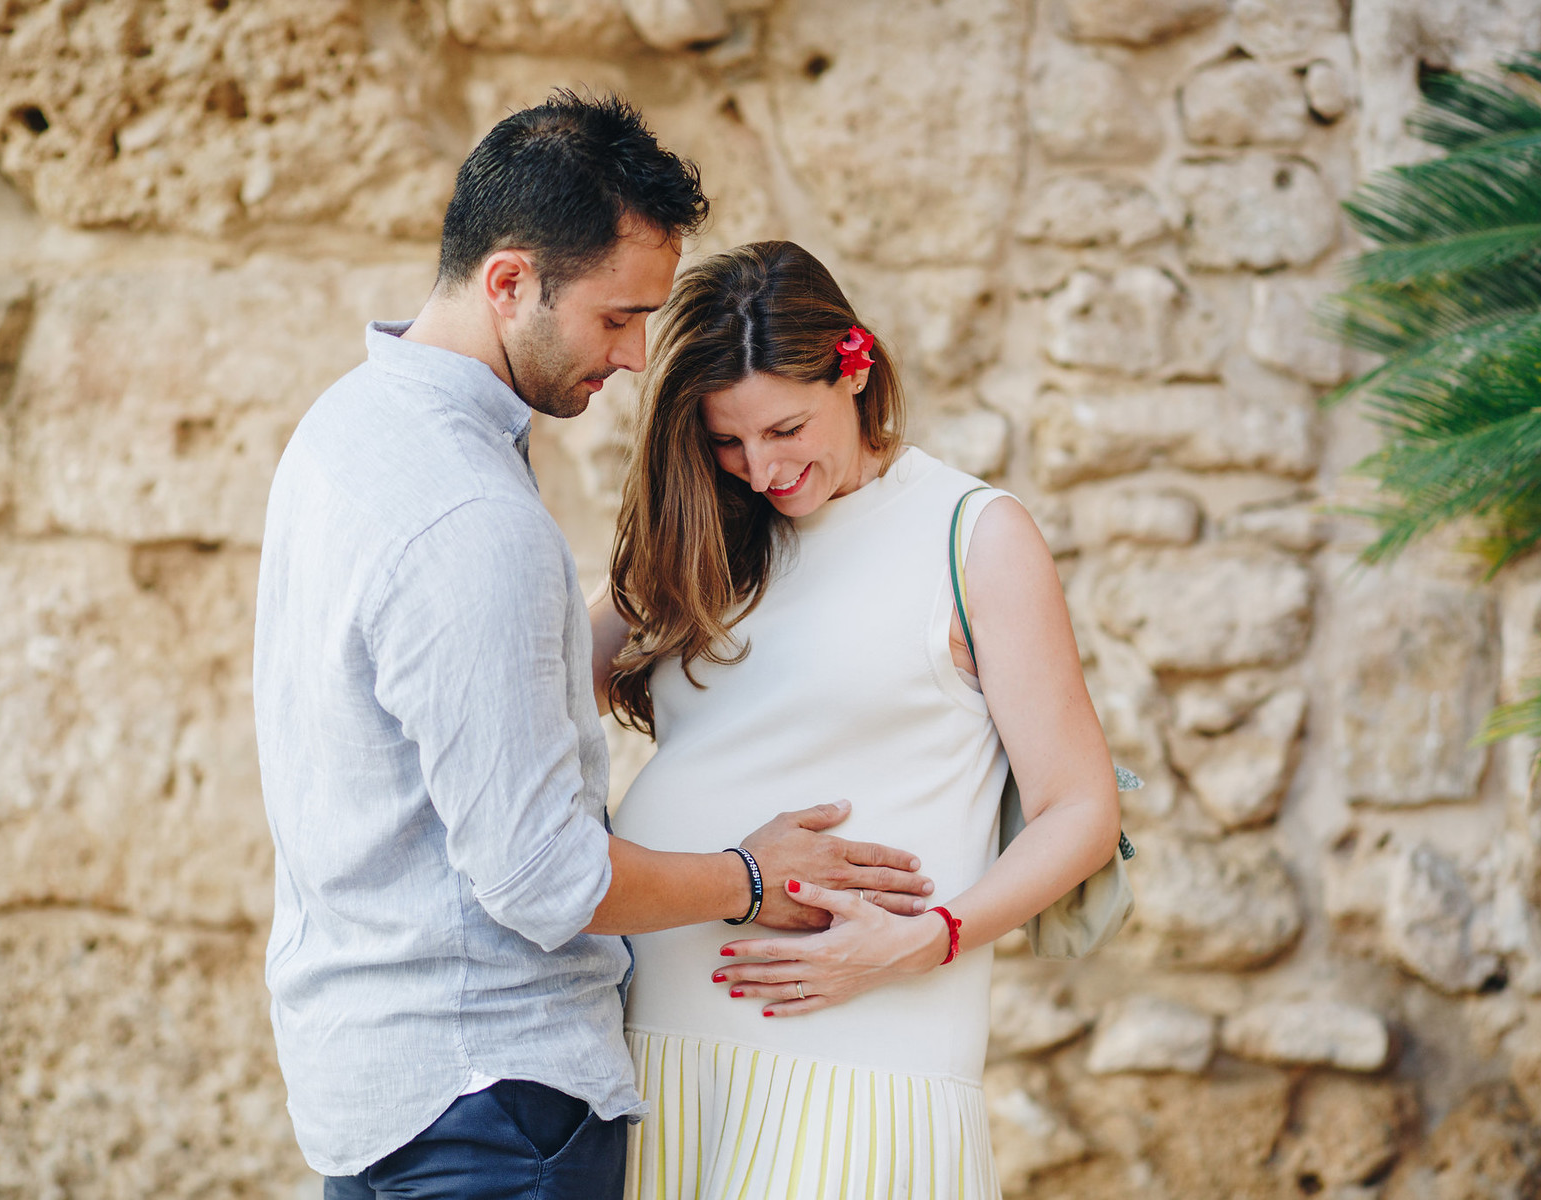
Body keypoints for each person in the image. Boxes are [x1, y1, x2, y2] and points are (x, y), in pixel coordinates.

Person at [254, 96, 933, 1200]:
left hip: (378, 1089)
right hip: (496, 1109)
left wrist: (663, 586)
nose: (630, 358)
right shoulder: (474, 515)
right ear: (510, 281)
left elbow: (464, 703)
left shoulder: (343, 432)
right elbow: (544, 879)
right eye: (616, 319)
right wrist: (754, 879)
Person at [596, 241, 1124, 1198]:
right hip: (658, 1038)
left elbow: (1082, 812)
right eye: (728, 440)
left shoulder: (974, 535)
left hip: (864, 1047)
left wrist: (933, 937)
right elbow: (533, 690)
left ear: (856, 365)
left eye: (787, 427)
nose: (762, 468)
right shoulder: (707, 534)